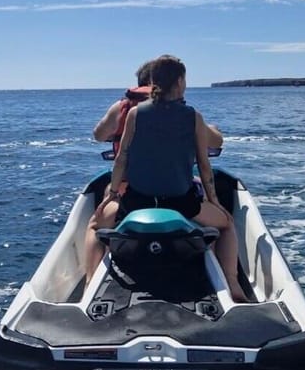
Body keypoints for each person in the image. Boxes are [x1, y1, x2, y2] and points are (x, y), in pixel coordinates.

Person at [83, 55, 248, 302]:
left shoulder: (135, 114)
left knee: (94, 226)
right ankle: (233, 285)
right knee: (226, 225)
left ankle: (88, 287)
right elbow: (204, 166)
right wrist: (214, 201)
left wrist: (113, 195)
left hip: (136, 202)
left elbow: (122, 159)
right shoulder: (193, 116)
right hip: (182, 203)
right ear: (180, 81)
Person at [94, 61, 225, 155]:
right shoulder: (182, 111)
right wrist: (213, 129)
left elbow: (99, 135)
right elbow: (216, 142)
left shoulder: (122, 108)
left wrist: (118, 133)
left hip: (129, 182)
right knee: (202, 190)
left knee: (109, 189)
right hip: (175, 184)